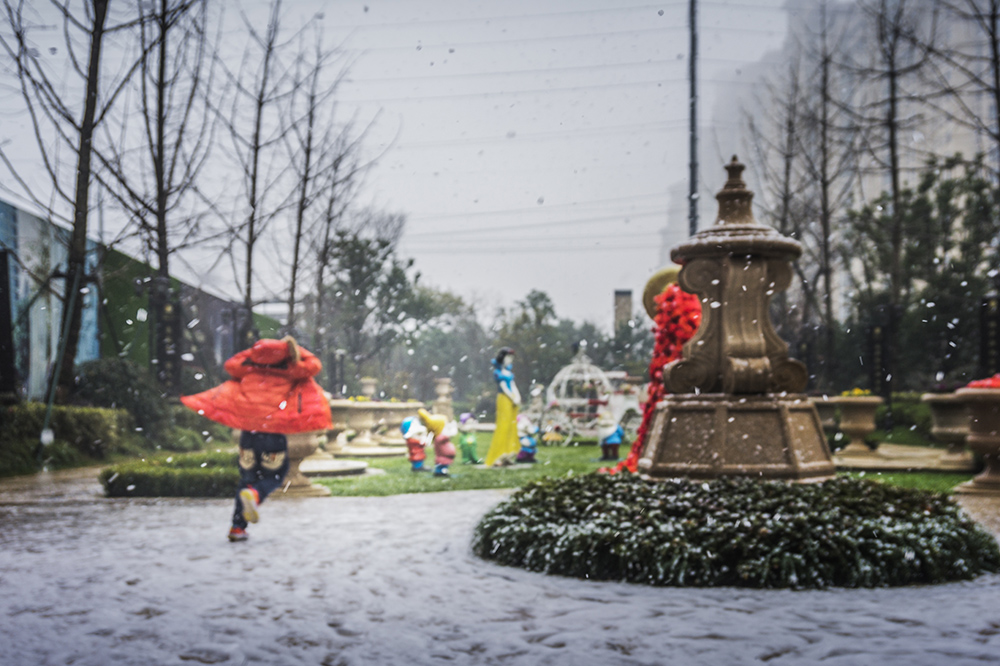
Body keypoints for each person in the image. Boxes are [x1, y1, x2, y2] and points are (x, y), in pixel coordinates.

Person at [180, 336, 332, 542]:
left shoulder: (248, 368)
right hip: (272, 433)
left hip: (248, 434)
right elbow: (314, 365)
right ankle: (256, 495)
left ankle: (237, 527)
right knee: (275, 475)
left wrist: (254, 353)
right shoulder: (291, 369)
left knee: (247, 479)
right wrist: (294, 351)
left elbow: (231, 364)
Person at [484, 348, 521, 466]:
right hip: (504, 399)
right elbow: (504, 386)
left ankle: (508, 454)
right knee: (503, 425)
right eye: (508, 357)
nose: (510, 360)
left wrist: (517, 397)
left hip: (512, 400)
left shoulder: (509, 372)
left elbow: (513, 384)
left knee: (512, 425)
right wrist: (512, 397)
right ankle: (498, 455)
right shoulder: (498, 373)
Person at [417, 409, 457, 476]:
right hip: (443, 458)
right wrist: (454, 427)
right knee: (442, 466)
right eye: (445, 425)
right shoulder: (440, 437)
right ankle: (440, 473)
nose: (446, 427)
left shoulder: (438, 437)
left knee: (443, 466)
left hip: (443, 457)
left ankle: (440, 472)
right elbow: (452, 433)